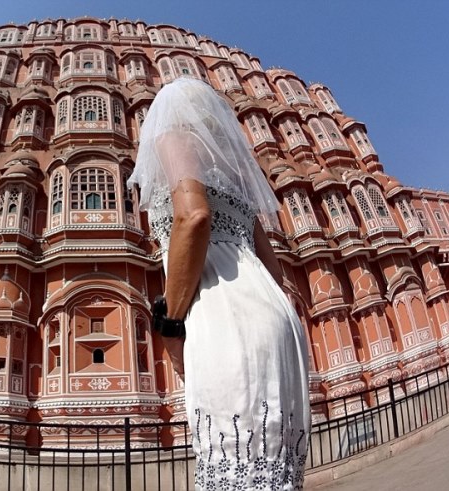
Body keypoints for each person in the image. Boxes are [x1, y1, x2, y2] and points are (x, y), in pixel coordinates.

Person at [129, 78, 310, 490]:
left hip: (224, 313)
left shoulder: (174, 139)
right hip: (273, 314)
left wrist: (171, 327)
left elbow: (192, 218)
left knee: (233, 462)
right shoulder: (230, 169)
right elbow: (273, 269)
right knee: (271, 468)